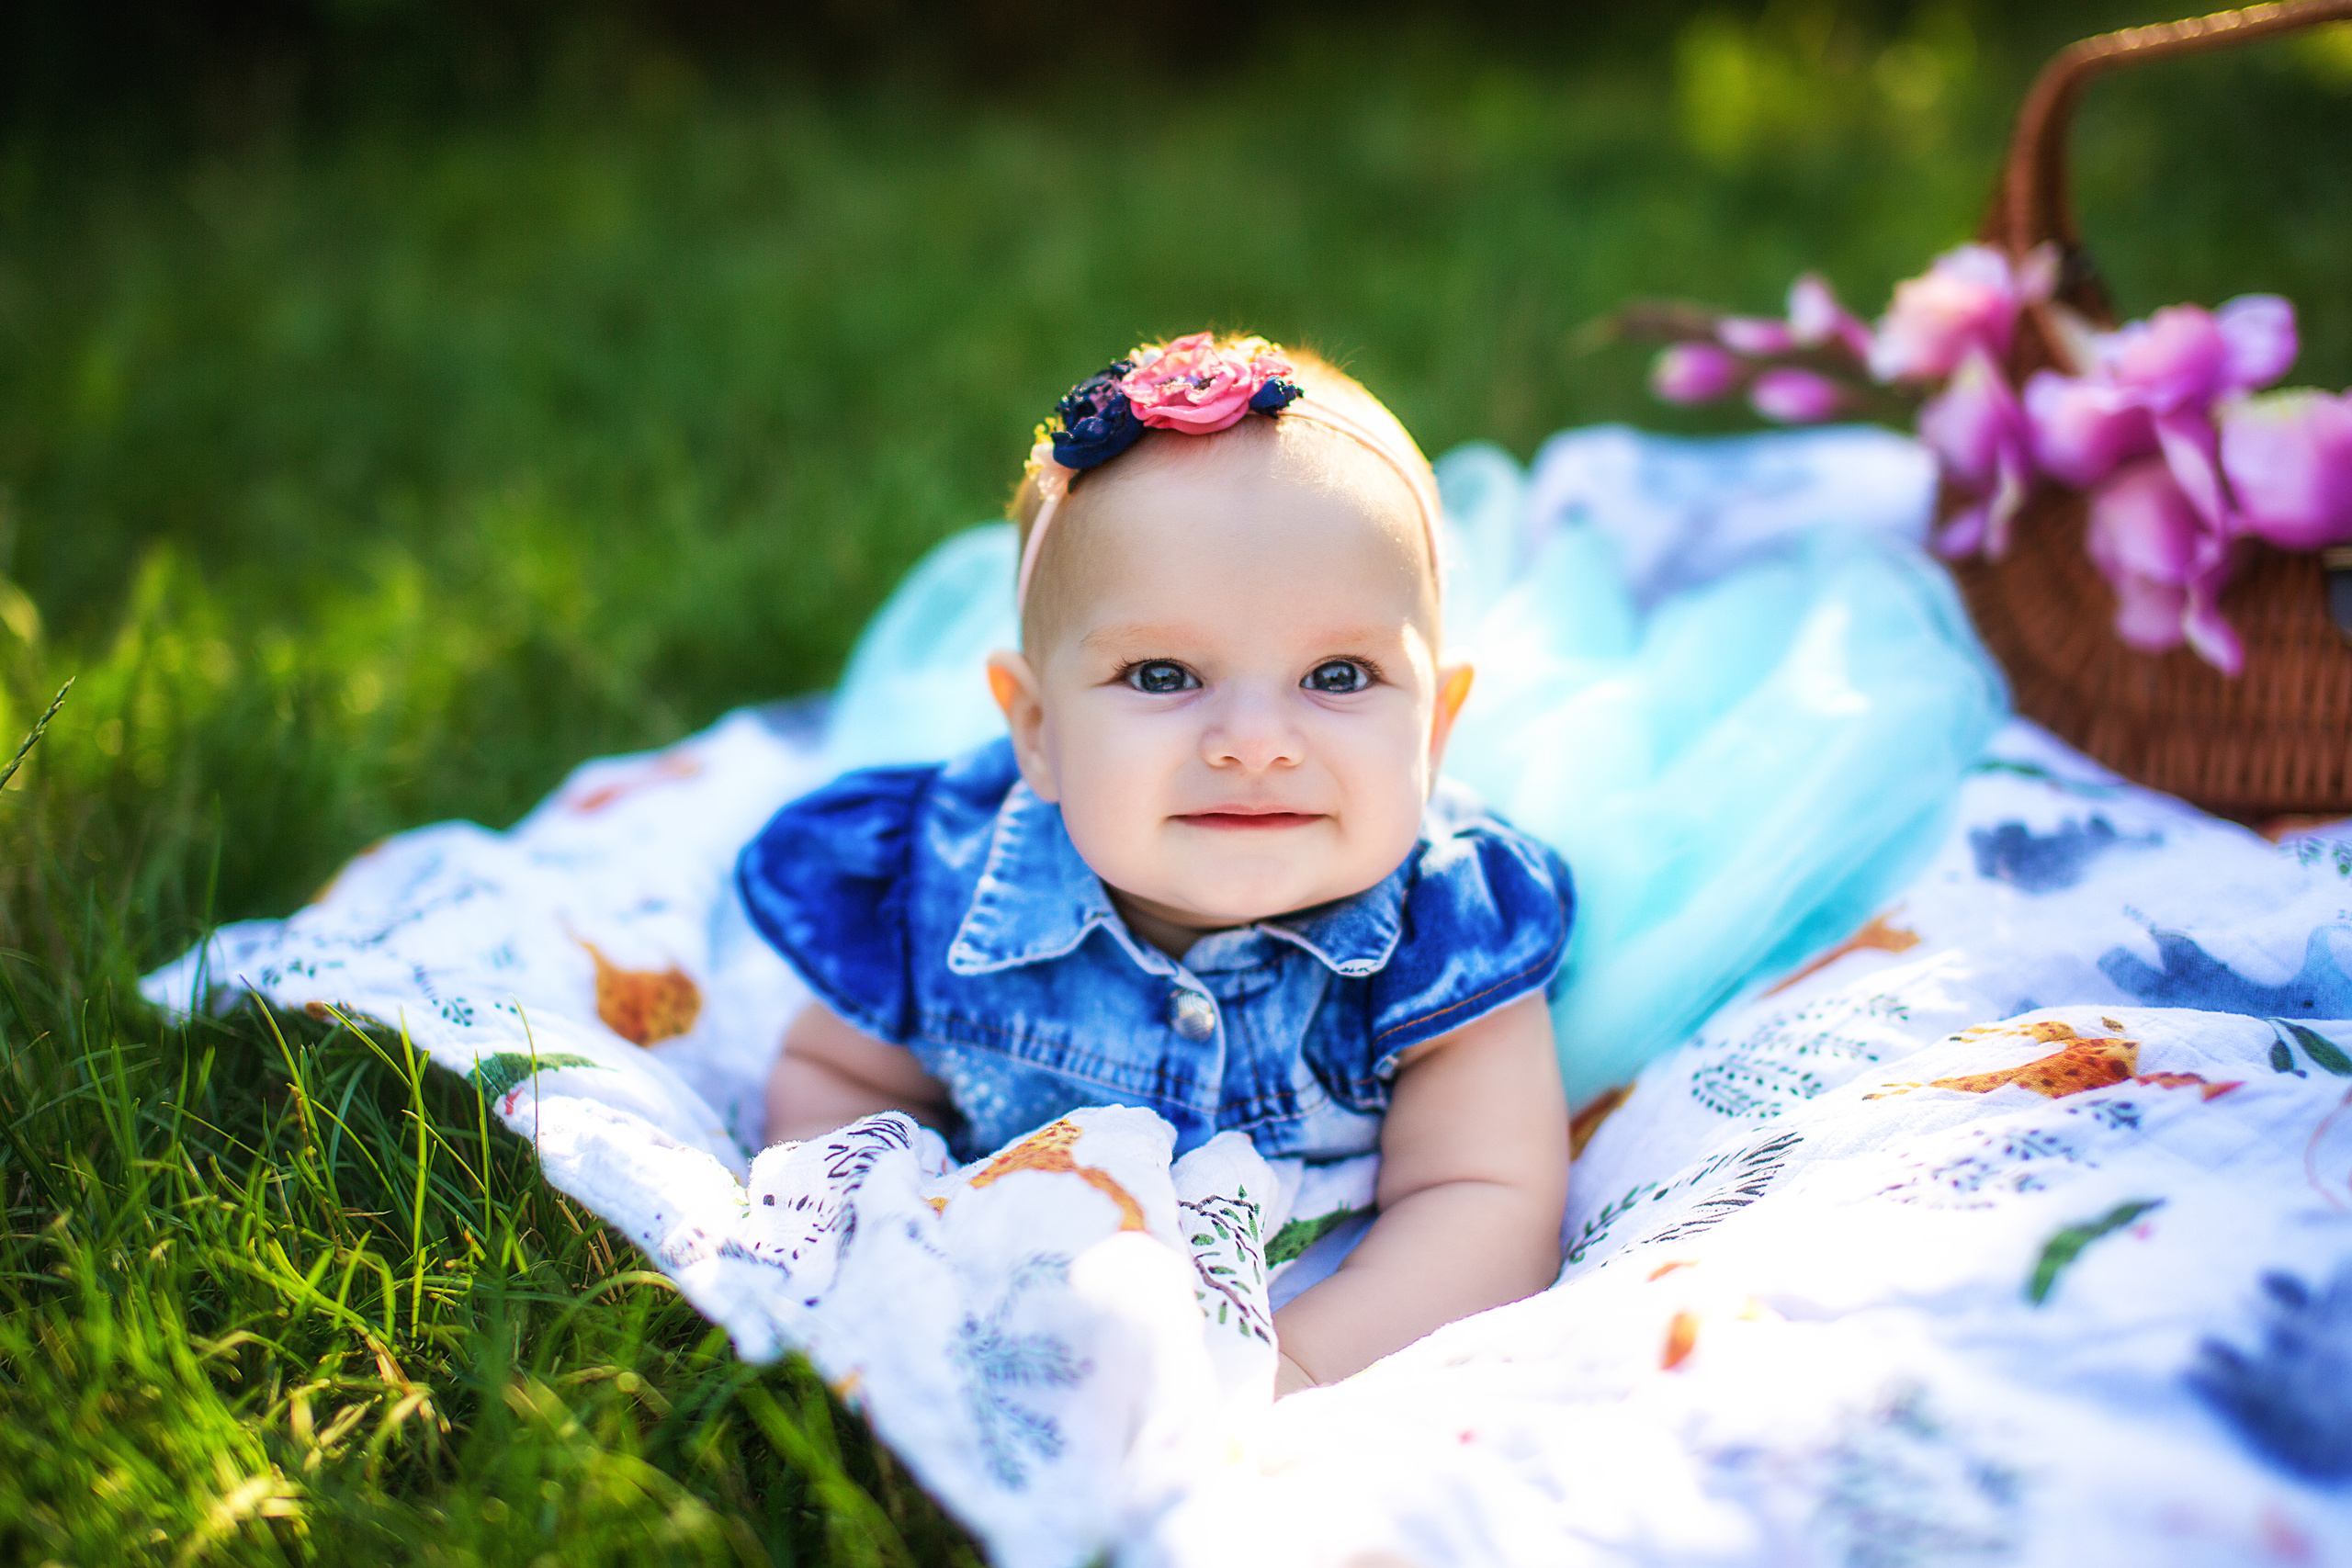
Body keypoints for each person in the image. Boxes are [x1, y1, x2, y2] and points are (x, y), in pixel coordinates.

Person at [737, 332, 1573, 1397]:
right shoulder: (943, 892)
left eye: (1338, 673)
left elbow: (1486, 1197)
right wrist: (862, 1238)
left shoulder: (1447, 935)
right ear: (1035, 730)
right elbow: (835, 1074)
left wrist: (1302, 1366)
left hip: (1328, 1311)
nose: (1255, 740)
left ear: (1435, 730)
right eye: (1166, 673)